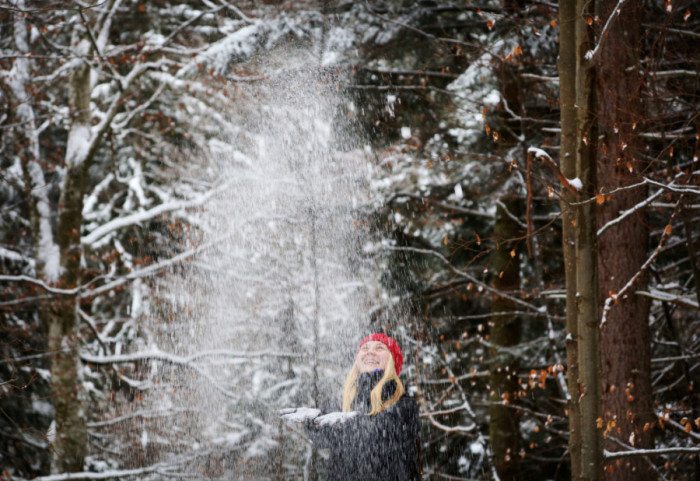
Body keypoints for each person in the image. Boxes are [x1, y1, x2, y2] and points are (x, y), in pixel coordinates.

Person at [306, 333, 421, 481]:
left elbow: (373, 435)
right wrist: (313, 423)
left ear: (392, 362)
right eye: (365, 348)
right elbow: (322, 439)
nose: (370, 352)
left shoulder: (403, 405)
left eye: (380, 348)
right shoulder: (342, 403)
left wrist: (336, 424)